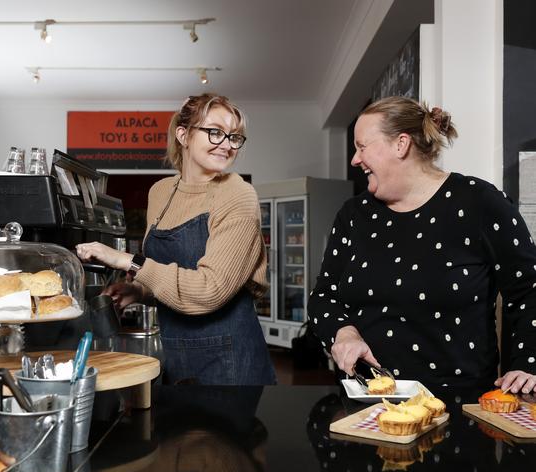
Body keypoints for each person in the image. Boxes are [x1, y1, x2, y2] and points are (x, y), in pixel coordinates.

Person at [308, 96, 536, 393]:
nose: (355, 159)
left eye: (362, 146)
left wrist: (527, 363)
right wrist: (344, 334)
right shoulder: (353, 215)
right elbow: (324, 296)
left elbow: (528, 289)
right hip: (366, 401)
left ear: (401, 144)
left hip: (458, 405)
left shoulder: (479, 201)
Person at [76, 93, 276, 385]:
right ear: (183, 134)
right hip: (176, 354)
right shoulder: (160, 192)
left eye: (234, 137)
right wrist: (140, 292)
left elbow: (211, 289)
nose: (226, 144)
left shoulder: (238, 194)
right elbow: (170, 270)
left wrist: (127, 261)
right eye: (215, 132)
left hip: (232, 361)